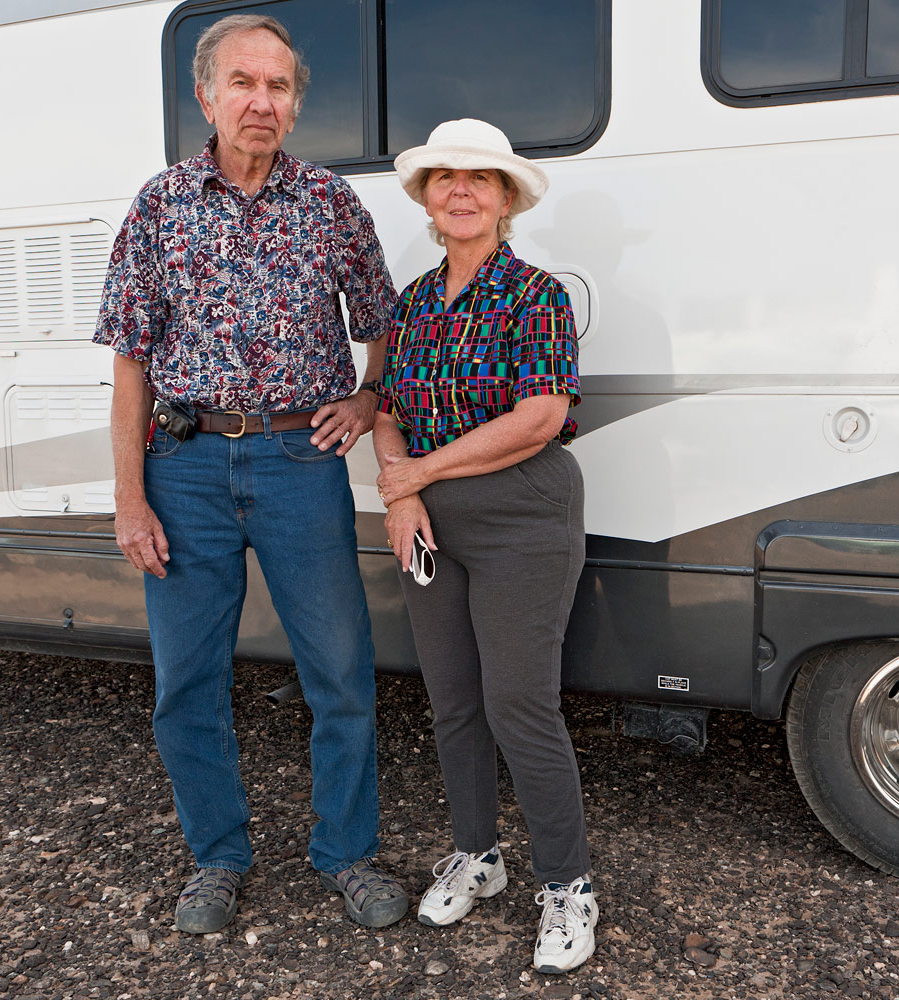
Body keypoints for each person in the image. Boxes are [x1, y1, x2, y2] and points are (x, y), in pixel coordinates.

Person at [93, 14, 407, 934]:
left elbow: (383, 314)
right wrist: (129, 497)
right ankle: (218, 858)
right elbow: (129, 362)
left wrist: (367, 394)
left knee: (340, 671)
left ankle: (345, 852)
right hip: (183, 464)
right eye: (243, 83)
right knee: (186, 680)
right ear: (207, 95)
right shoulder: (160, 206)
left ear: (296, 104)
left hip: (296, 459)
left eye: (278, 87)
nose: (261, 101)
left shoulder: (332, 204)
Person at [372, 119, 598, 974]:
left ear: (505, 199)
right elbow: (387, 410)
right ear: (428, 199)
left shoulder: (536, 294)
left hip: (521, 516)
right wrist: (402, 497)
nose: (460, 190)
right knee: (454, 701)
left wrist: (416, 474)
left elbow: (541, 418)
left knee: (520, 706)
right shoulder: (415, 301)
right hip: (430, 520)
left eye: (479, 178)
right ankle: (479, 855)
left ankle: (569, 885)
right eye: (444, 178)